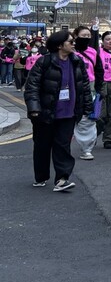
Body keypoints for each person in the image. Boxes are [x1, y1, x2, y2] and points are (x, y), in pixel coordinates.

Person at [23, 30, 94, 191]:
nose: (73, 43)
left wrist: (87, 107)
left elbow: (84, 86)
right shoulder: (44, 62)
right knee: (42, 146)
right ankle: (41, 176)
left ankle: (62, 179)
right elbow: (32, 87)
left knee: (63, 146)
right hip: (46, 112)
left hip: (69, 113)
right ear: (59, 45)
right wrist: (34, 109)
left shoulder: (77, 61)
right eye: (70, 41)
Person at [72, 24, 103, 159]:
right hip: (71, 86)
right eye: (83, 36)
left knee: (87, 118)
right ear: (75, 36)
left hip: (89, 87)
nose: (86, 38)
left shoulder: (93, 52)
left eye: (88, 36)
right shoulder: (70, 52)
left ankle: (87, 149)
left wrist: (98, 88)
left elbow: (99, 70)